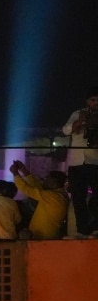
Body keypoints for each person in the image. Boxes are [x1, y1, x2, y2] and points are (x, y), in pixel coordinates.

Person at [62, 87, 98, 235]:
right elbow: (65, 131)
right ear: (87, 101)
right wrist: (80, 121)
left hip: (96, 161)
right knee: (78, 197)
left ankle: (96, 226)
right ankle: (82, 229)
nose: (96, 103)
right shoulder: (77, 114)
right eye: (93, 100)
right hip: (77, 162)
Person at [10, 161, 69, 240]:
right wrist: (25, 172)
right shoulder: (58, 195)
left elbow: (26, 189)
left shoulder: (52, 196)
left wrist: (15, 174)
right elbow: (38, 188)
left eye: (46, 179)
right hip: (46, 238)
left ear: (54, 182)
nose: (44, 181)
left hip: (42, 239)